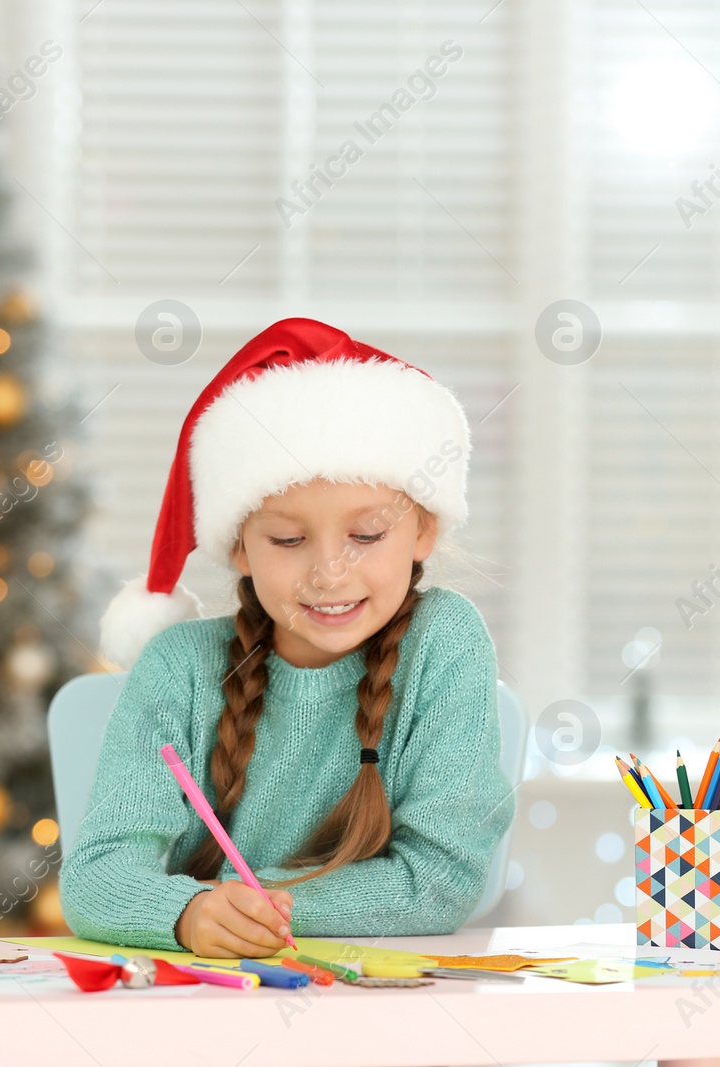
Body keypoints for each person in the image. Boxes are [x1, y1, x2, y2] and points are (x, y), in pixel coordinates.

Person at [57, 317, 515, 958]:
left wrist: (263, 907)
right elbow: (95, 878)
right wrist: (188, 914)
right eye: (289, 540)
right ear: (239, 545)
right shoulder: (180, 668)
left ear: (424, 532)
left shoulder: (445, 642)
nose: (330, 572)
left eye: (366, 536)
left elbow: (440, 879)